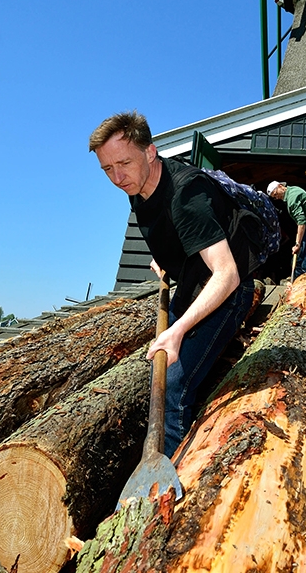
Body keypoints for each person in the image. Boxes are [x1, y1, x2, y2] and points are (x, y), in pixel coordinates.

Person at [90, 111, 258, 458]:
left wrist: (178, 329)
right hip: (191, 283)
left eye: (123, 163)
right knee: (158, 368)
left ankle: (171, 481)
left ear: (150, 152)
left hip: (226, 293)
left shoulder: (186, 193)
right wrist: (165, 258)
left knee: (175, 384)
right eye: (107, 169)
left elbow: (226, 273)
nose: (117, 177)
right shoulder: (136, 188)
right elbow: (178, 233)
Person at [268, 181, 306, 276]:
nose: (276, 197)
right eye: (274, 197)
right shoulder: (293, 190)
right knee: (298, 261)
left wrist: (297, 244)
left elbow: (301, 222)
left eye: (275, 194)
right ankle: (297, 285)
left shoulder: (292, 199)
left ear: (280, 186)